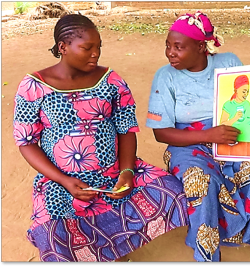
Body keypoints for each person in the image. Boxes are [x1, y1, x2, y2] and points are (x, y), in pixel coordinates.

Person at [12, 14, 189, 262]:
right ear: (63, 47)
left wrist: (126, 171)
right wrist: (64, 180)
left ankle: (116, 253)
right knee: (53, 232)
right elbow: (26, 142)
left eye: (98, 48)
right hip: (61, 179)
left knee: (171, 192)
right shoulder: (34, 86)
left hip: (113, 172)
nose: (95, 54)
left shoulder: (111, 80)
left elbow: (126, 129)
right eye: (87, 48)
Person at [146, 11, 250, 262]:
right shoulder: (165, 77)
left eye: (178, 47)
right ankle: (207, 255)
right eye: (168, 46)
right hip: (187, 145)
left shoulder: (228, 62)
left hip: (231, 135)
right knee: (201, 183)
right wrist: (207, 134)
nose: (170, 53)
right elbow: (160, 132)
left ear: (201, 47)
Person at [219, 74, 250, 142]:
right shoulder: (228, 105)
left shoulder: (247, 104)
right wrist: (235, 118)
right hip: (235, 141)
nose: (246, 94)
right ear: (236, 90)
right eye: (243, 91)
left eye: (247, 91)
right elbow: (221, 126)